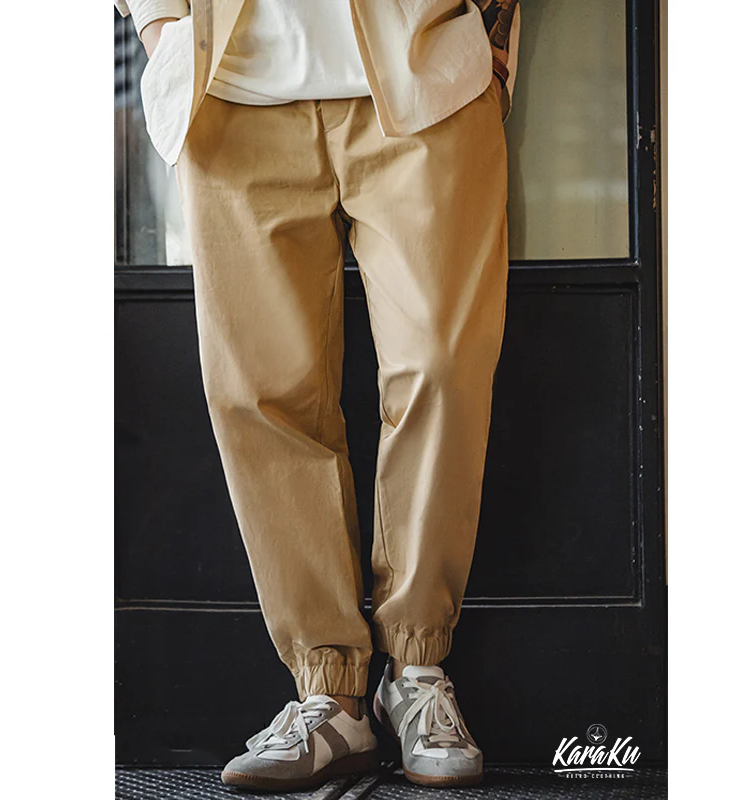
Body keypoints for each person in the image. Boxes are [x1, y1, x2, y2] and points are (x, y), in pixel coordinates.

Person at [115, 0, 521, 791]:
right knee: (259, 394)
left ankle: (417, 669)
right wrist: (162, 29)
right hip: (232, 89)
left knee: (442, 366)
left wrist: (491, 36)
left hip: (423, 74)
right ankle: (328, 692)